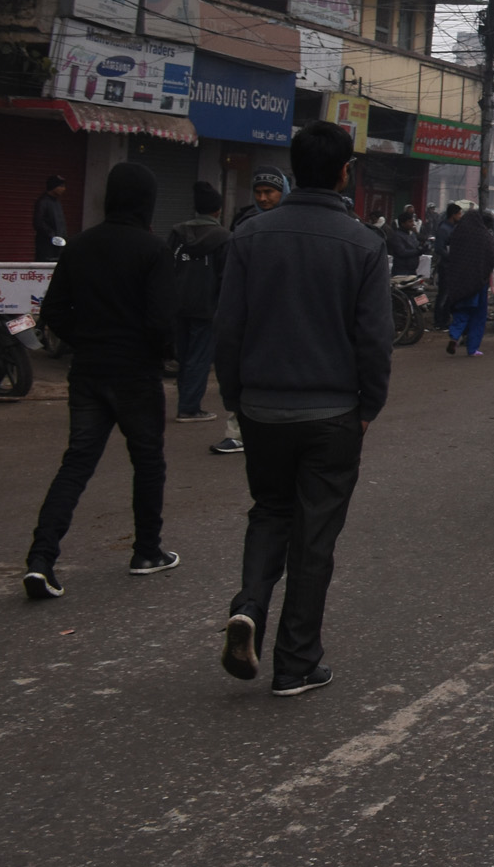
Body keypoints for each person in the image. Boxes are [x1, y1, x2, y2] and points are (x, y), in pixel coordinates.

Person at [213, 121, 389, 694]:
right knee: (314, 536)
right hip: (333, 412)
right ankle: (295, 662)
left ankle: (249, 606)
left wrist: (236, 396)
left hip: (263, 407)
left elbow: (228, 330)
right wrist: (369, 403)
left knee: (269, 511)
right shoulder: (364, 244)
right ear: (344, 172)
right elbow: (373, 340)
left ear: (292, 169)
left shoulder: (249, 236)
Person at [21, 163, 178, 601]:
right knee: (148, 462)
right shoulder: (153, 250)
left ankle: (41, 560)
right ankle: (146, 551)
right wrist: (159, 353)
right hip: (135, 375)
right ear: (146, 201)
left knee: (76, 464)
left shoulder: (80, 246)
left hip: (88, 372)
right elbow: (162, 322)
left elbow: (53, 313)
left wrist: (86, 339)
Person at [212, 172, 288, 457]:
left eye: (270, 192)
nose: (263, 198)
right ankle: (236, 431)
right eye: (259, 192)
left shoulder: (290, 224)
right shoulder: (245, 224)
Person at [166, 182, 231, 423]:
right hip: (207, 308)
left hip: (178, 306)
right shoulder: (224, 237)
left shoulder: (177, 233)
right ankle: (189, 408)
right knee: (199, 358)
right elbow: (226, 276)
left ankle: (186, 402)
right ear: (217, 211)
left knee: (184, 356)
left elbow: (166, 267)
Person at [439, 205, 494, 357]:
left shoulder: (457, 233)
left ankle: (454, 336)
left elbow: (450, 254)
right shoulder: (484, 236)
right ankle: (472, 348)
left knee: (461, 312)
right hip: (479, 282)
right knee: (478, 316)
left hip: (460, 282)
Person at [33, 172, 69, 261]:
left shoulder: (57, 203)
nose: (63, 189)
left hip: (59, 245)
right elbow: (38, 222)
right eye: (61, 186)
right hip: (47, 246)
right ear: (53, 187)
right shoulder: (43, 202)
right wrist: (52, 235)